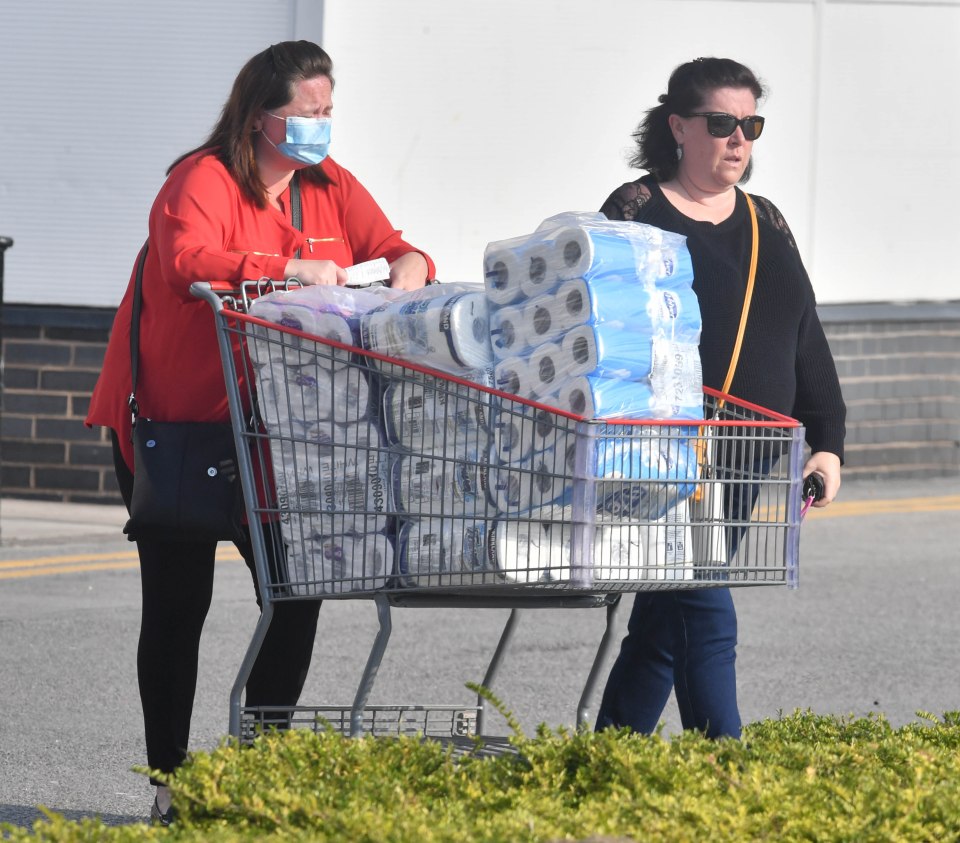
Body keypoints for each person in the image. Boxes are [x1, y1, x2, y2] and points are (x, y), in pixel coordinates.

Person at [86, 40, 434, 824]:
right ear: (260, 117)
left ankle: (259, 766)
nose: (322, 127)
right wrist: (271, 268)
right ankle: (171, 778)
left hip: (282, 429)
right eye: (308, 114)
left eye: (329, 112)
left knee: (296, 589)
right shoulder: (201, 179)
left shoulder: (328, 187)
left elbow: (393, 246)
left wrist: (410, 263)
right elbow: (183, 260)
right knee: (178, 605)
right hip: (182, 422)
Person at [594, 57, 845, 740]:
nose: (739, 139)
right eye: (721, 123)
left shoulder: (767, 219)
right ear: (678, 126)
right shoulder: (637, 209)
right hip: (667, 453)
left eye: (751, 125)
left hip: (748, 453)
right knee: (704, 612)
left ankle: (607, 759)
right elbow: (603, 328)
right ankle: (728, 769)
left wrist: (827, 439)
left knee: (664, 624)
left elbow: (803, 334)